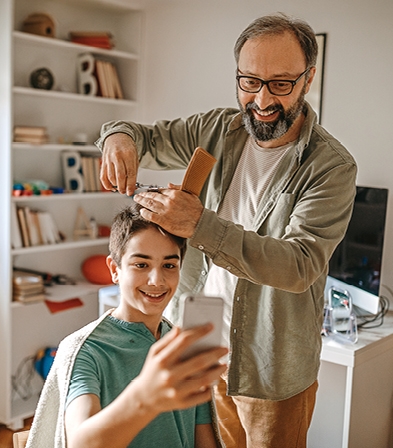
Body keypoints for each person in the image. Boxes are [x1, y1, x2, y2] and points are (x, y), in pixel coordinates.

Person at [95, 12, 357, 448]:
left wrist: (198, 225)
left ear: (308, 79)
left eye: (280, 84)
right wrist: (117, 139)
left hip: (271, 370)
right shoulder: (215, 130)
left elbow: (299, 264)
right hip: (198, 351)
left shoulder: (330, 166)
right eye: (249, 82)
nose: (261, 100)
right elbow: (141, 135)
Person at [25, 203, 228, 448]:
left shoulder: (180, 346)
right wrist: (145, 397)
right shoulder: (85, 351)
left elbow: (204, 440)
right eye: (141, 265)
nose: (157, 280)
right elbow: (80, 443)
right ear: (114, 269)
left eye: (169, 265)